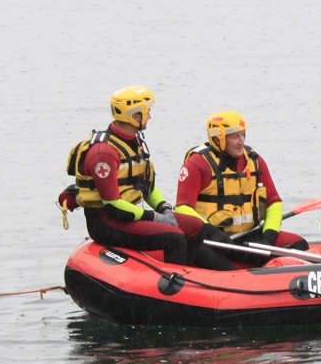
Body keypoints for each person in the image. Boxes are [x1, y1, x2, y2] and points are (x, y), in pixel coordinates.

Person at [60, 86, 232, 270]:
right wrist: (154, 217)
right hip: (107, 223)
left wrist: (164, 208)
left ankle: (198, 273)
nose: (149, 117)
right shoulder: (104, 153)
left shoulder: (134, 142)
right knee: (174, 238)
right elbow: (112, 204)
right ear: (134, 116)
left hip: (129, 216)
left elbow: (146, 187)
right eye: (146, 112)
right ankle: (176, 282)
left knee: (195, 226)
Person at [175, 111, 310, 259]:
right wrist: (210, 231)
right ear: (218, 138)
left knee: (299, 244)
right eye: (234, 137)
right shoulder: (197, 163)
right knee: (215, 262)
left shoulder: (254, 160)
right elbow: (183, 208)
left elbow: (274, 202)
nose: (241, 142)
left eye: (243, 135)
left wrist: (269, 236)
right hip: (212, 240)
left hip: (248, 235)